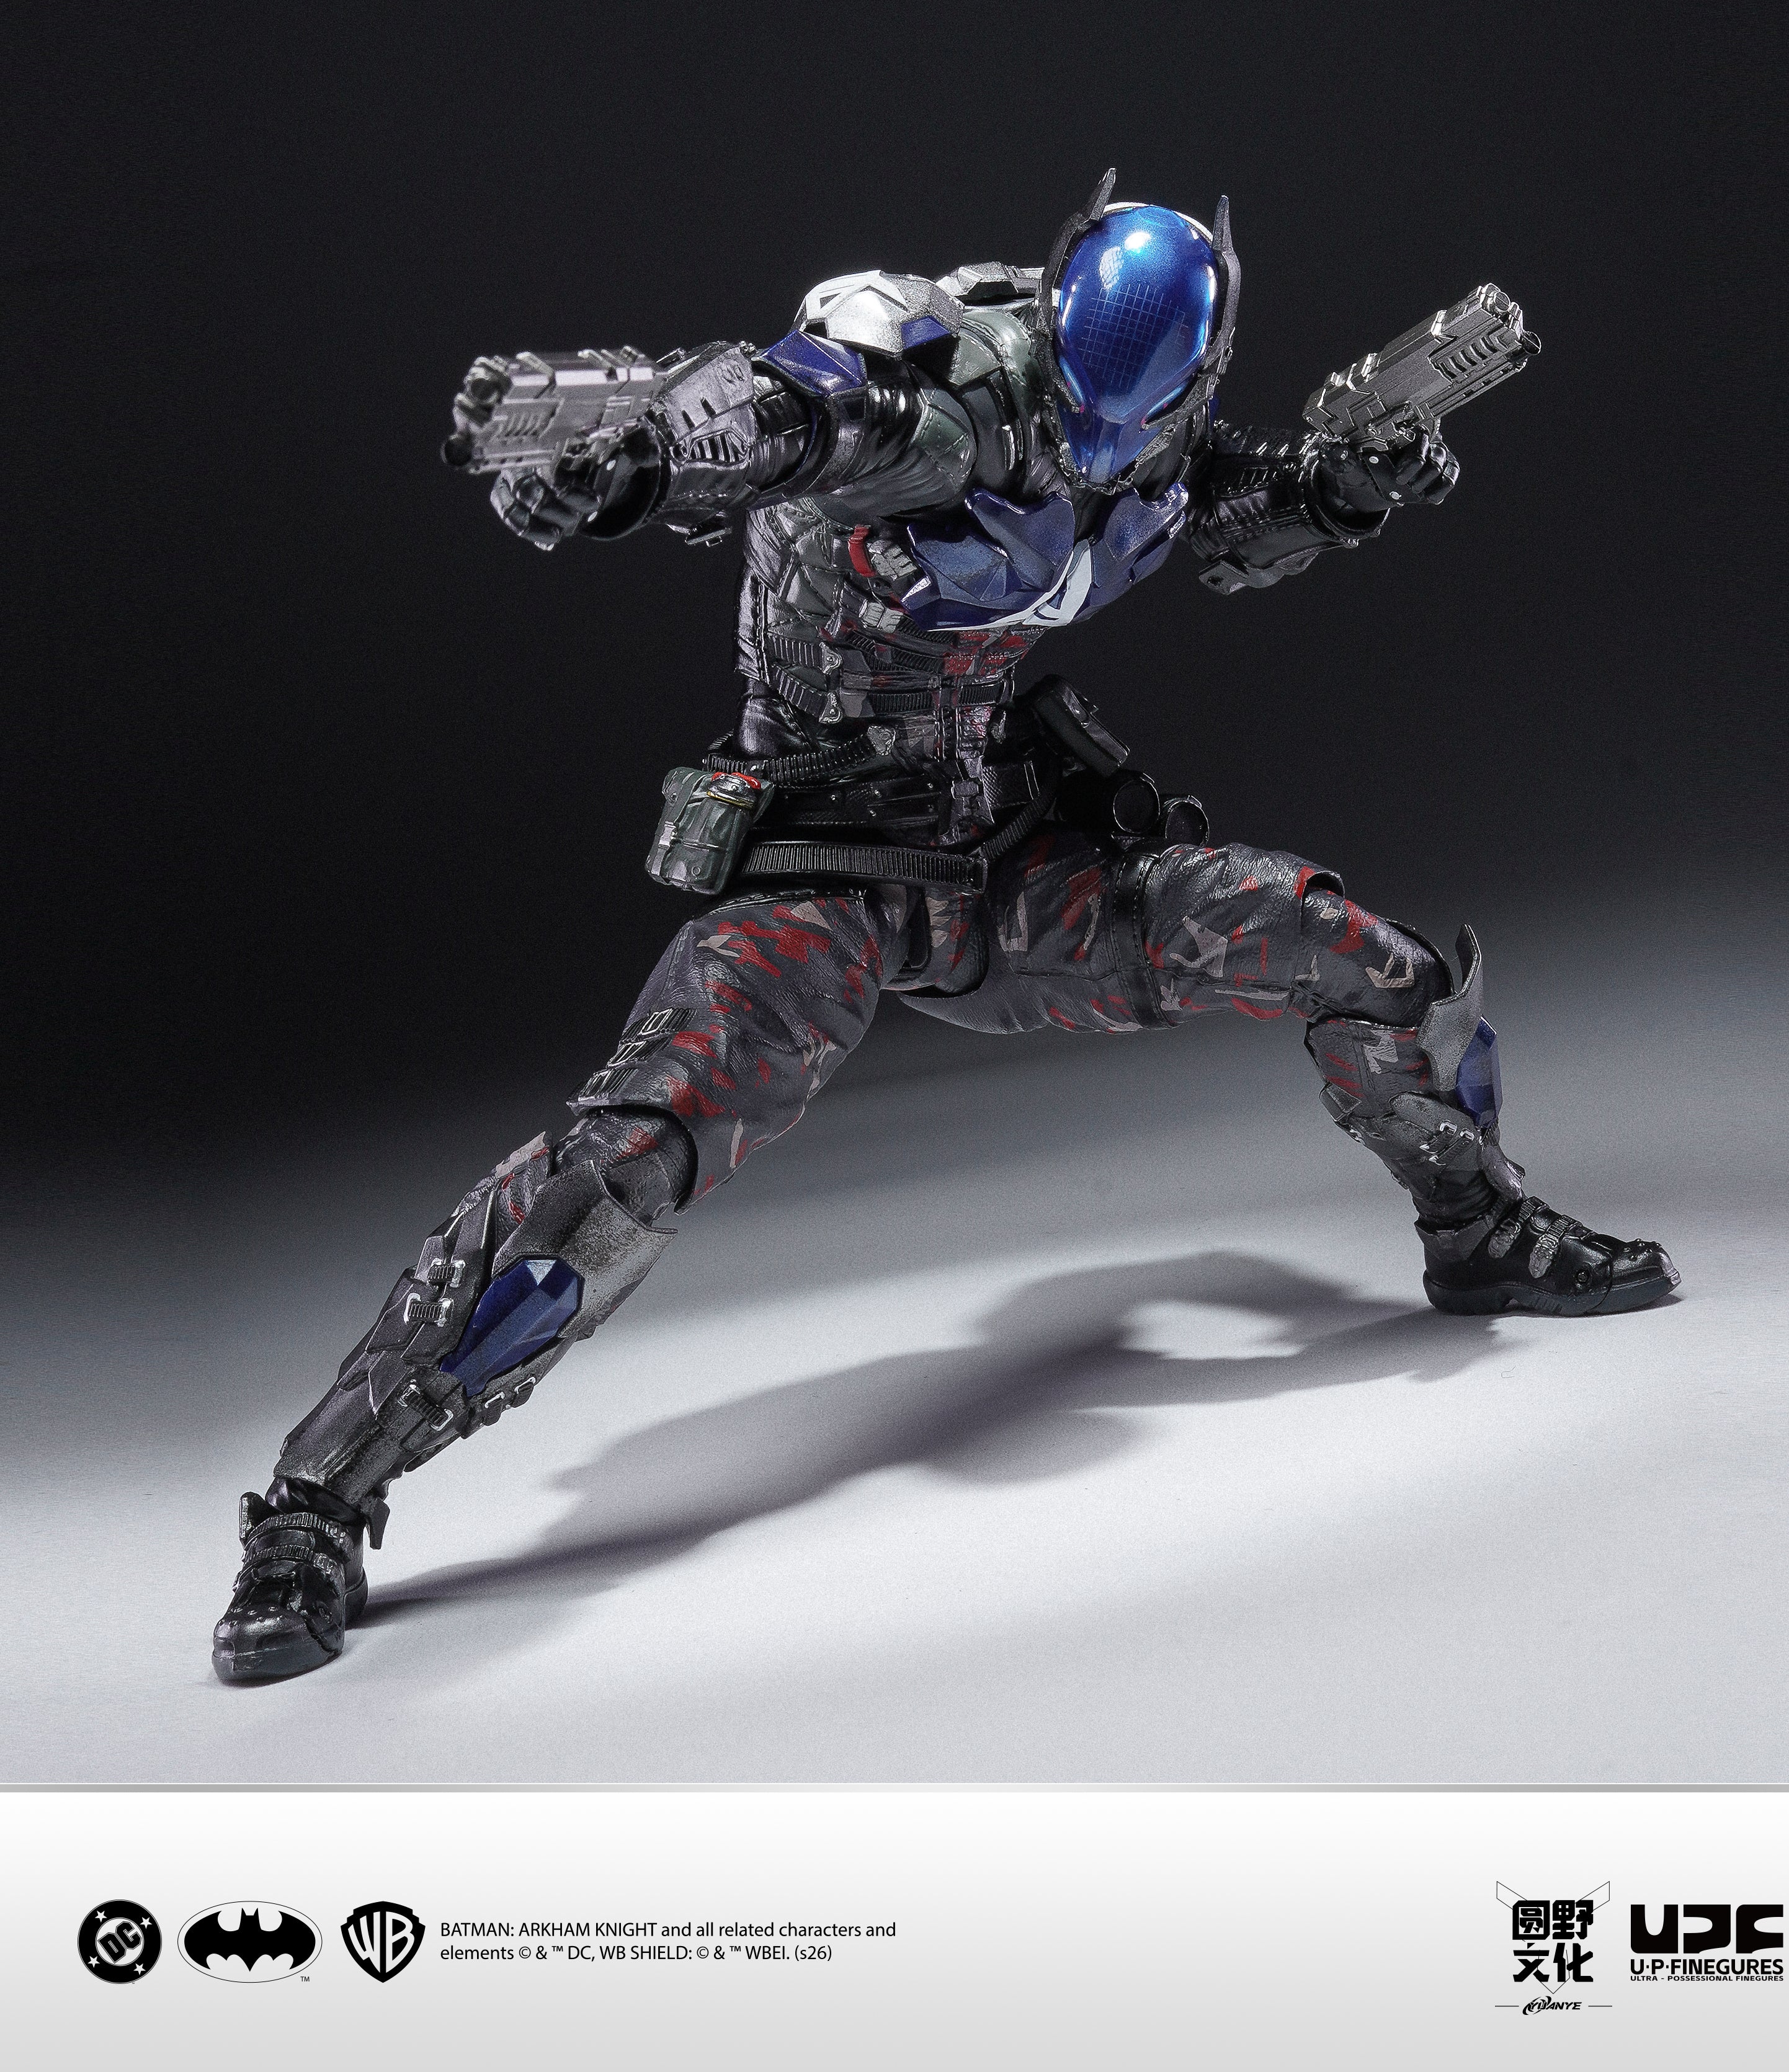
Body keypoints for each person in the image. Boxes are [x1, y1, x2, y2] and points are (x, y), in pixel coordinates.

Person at [212, 172, 1675, 1684]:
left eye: (1143, 418)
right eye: (1090, 411)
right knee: (624, 1163)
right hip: (827, 877)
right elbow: (780, 412)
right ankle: (315, 1501)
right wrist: (639, 457)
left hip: (1016, 873)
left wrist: (1351, 479)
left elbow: (1234, 514)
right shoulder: (932, 387)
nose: (1104, 447)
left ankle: (1481, 1230)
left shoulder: (1158, 433)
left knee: (1363, 958)